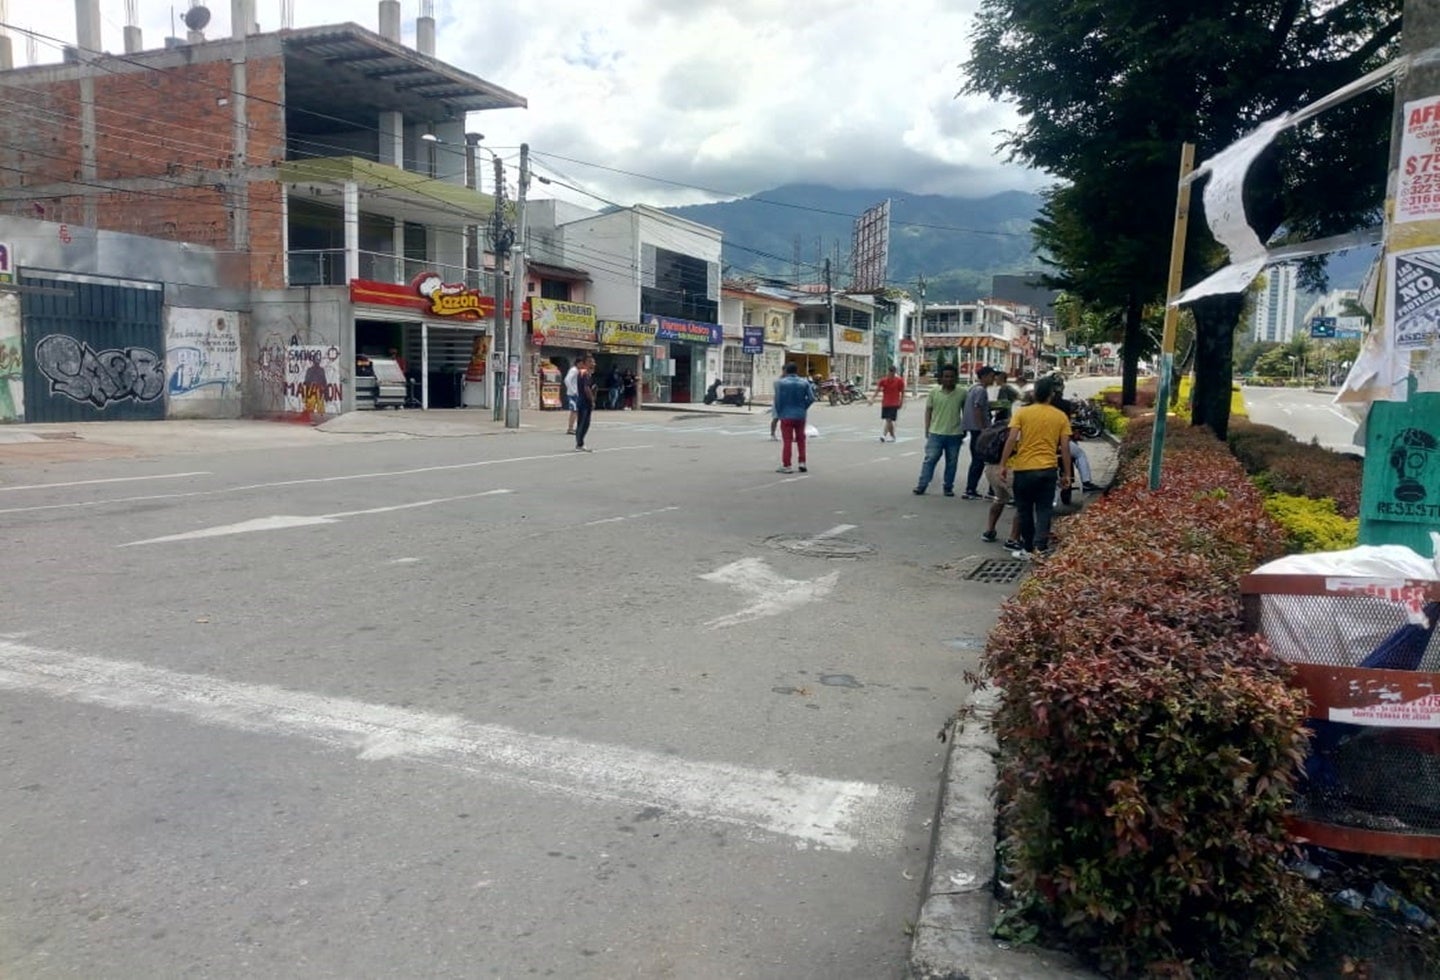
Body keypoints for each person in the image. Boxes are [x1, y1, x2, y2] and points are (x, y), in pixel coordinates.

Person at [998, 374, 1072, 559]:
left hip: (1024, 469)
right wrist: (1067, 475)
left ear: (1035, 394)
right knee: (1044, 509)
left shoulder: (1022, 413)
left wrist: (1003, 465)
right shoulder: (1060, 416)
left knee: (1024, 510)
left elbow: (1011, 439)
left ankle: (1028, 548)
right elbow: (1065, 448)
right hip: (1048, 470)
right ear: (1051, 395)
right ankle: (1041, 548)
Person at [912, 364, 966, 496]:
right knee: (930, 460)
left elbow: (966, 413)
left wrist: (965, 429)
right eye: (946, 376)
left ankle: (948, 487)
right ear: (941, 378)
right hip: (935, 433)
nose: (949, 379)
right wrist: (927, 428)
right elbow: (928, 411)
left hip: (955, 434)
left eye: (952, 377)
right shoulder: (934, 392)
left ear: (956, 378)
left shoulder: (963, 393)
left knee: (952, 463)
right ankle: (922, 485)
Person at [772, 362, 815, 473]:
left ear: (786, 371)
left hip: (786, 414)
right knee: (801, 439)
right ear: (797, 371)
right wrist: (803, 407)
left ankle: (787, 465)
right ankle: (802, 462)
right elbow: (811, 398)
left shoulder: (779, 383)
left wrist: (780, 412)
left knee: (787, 440)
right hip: (800, 415)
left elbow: (777, 400)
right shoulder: (804, 382)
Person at [961, 365, 996, 498]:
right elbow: (977, 409)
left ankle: (972, 489)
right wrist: (983, 430)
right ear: (984, 376)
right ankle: (971, 490)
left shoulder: (973, 388)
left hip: (973, 429)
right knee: (980, 461)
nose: (993, 379)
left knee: (978, 460)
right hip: (978, 430)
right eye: (992, 376)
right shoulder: (981, 390)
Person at [873, 365, 906, 442]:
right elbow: (877, 390)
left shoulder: (899, 381)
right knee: (889, 420)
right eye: (890, 371)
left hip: (894, 403)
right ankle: (892, 436)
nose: (891, 373)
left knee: (889, 419)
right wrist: (873, 398)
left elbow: (903, 392)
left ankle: (883, 435)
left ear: (895, 372)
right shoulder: (883, 380)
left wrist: (901, 401)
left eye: (892, 372)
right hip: (885, 403)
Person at [574, 354, 596, 452]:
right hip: (584, 401)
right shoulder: (584, 373)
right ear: (585, 363)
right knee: (583, 423)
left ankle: (580, 443)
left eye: (593, 362)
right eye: (591, 362)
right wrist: (592, 400)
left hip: (584, 401)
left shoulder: (587, 373)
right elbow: (586, 388)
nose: (593, 364)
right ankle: (579, 444)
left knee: (586, 423)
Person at [563, 359, 580, 434]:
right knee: (574, 411)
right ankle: (570, 428)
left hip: (576, 393)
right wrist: (573, 391)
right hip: (573, 394)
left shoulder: (578, 371)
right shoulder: (574, 370)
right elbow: (567, 380)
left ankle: (576, 427)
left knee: (577, 411)